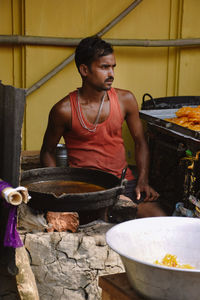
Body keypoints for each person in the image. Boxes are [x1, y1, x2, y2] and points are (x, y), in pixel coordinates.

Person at [40, 36, 167, 218]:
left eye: (113, 66)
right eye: (104, 67)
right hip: (84, 187)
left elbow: (140, 142)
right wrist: (59, 191)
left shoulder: (126, 100)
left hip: (123, 183)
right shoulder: (64, 110)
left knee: (159, 219)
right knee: (95, 224)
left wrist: (143, 180)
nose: (111, 74)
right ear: (84, 70)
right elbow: (47, 151)